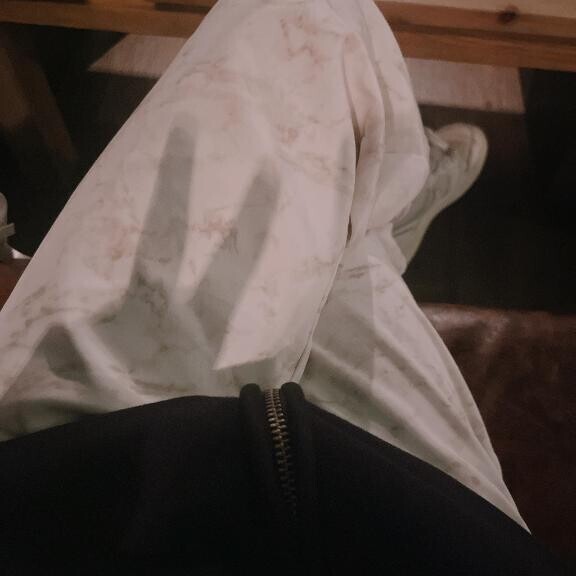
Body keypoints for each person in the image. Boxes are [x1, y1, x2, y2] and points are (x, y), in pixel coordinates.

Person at [0, 0, 522, 536]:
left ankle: (376, 215)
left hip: (63, 484)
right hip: (91, 480)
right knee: (308, 11)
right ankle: (385, 206)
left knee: (335, 256)